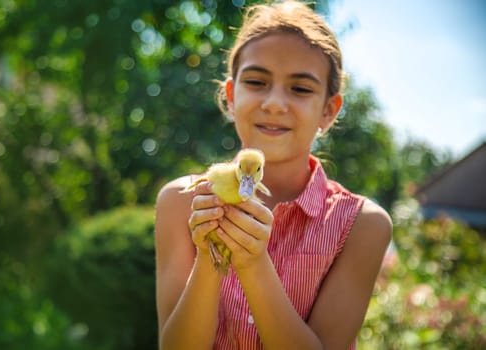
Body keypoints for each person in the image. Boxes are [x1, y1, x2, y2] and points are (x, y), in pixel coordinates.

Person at [154, 1, 392, 349]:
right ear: (232, 96)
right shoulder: (181, 201)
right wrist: (211, 253)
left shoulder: (362, 225)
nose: (275, 103)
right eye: (256, 81)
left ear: (329, 110)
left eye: (300, 88)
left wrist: (253, 264)